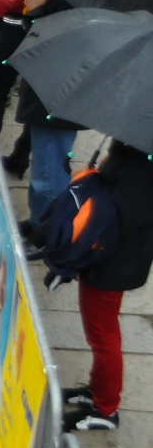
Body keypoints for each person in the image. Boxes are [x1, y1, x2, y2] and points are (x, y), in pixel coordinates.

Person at [63, 140, 153, 431]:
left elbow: (122, 214)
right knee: (99, 331)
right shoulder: (133, 150)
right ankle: (98, 390)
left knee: (103, 335)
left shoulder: (142, 166)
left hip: (114, 260)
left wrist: (94, 188)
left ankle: (106, 409)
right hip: (108, 256)